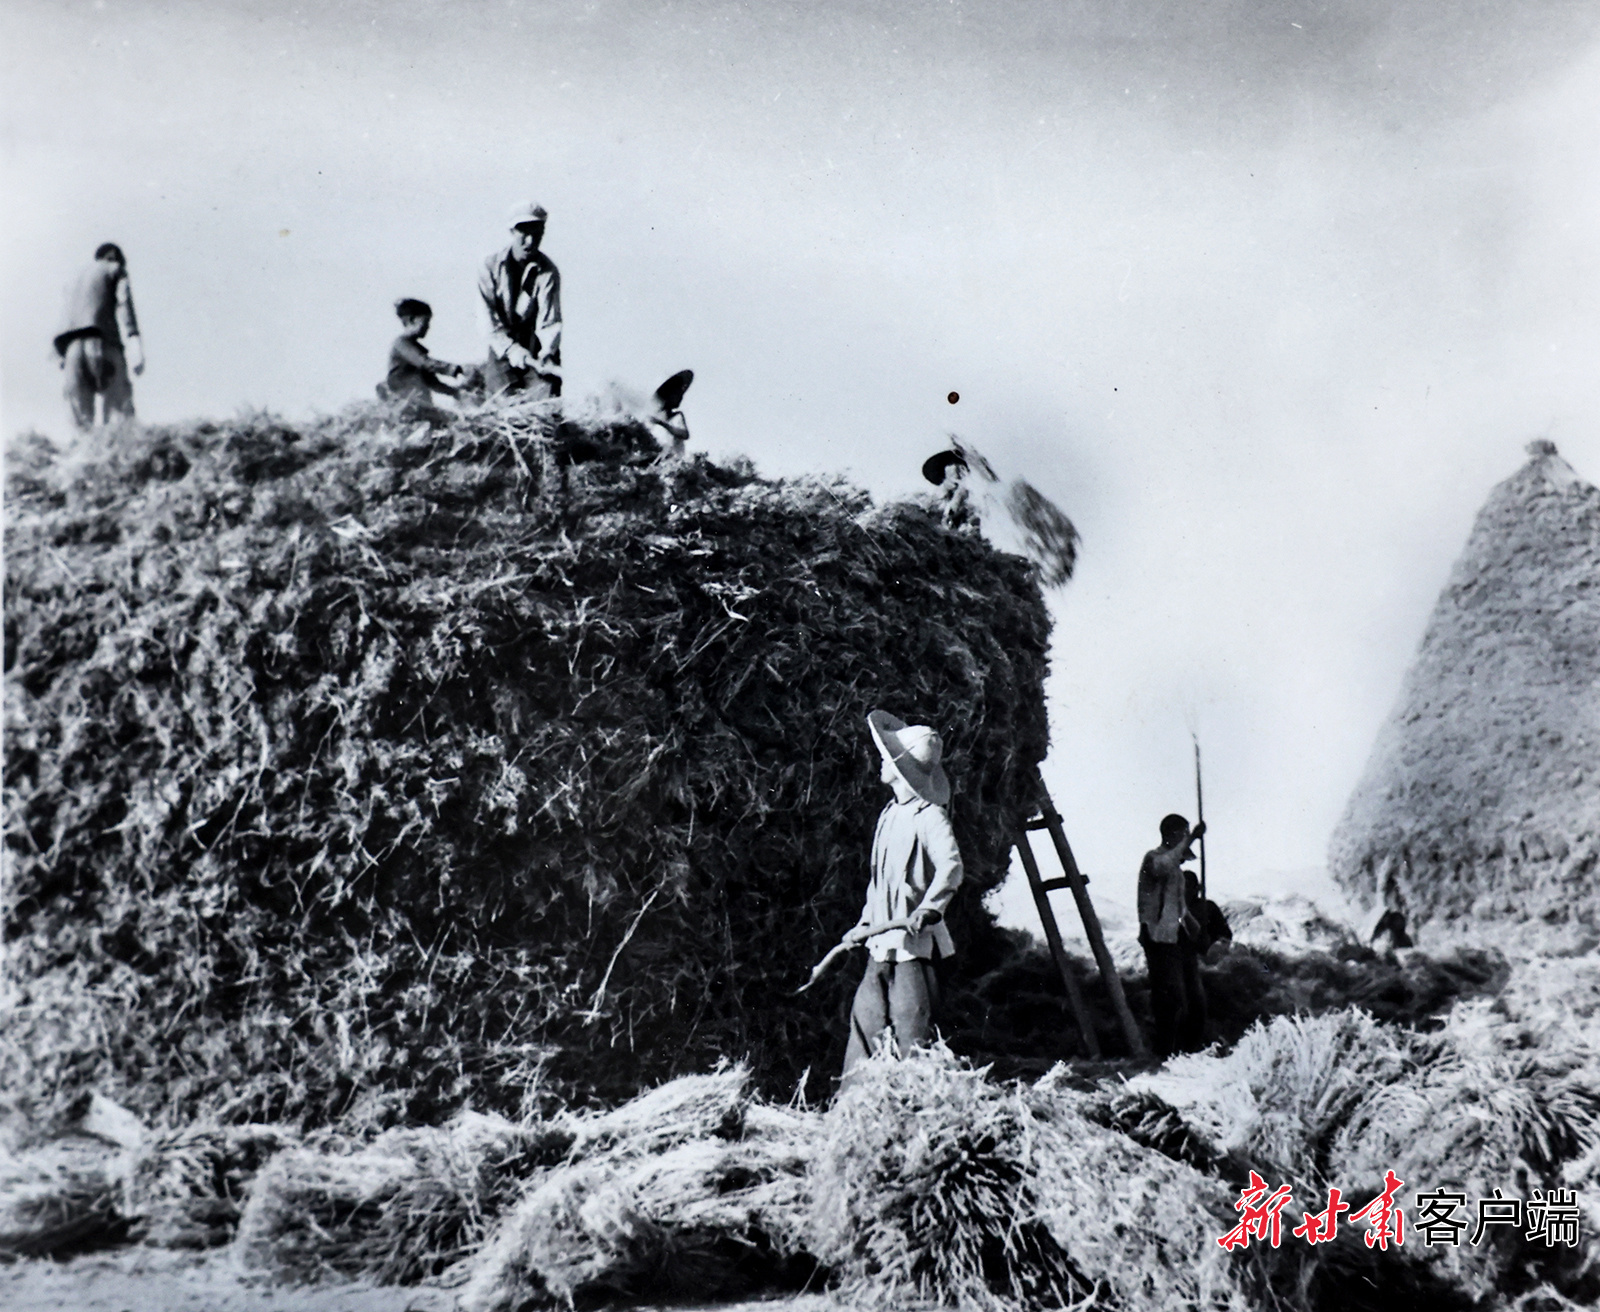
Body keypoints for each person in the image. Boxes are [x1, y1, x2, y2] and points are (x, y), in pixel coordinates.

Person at [842, 710, 966, 1076]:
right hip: (880, 940)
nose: (880, 762)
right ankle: (855, 1105)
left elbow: (951, 866)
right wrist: (864, 923)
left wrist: (929, 909)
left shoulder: (930, 817)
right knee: (865, 1020)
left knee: (911, 1024)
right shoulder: (889, 815)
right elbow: (879, 881)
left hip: (912, 945)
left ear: (899, 767)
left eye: (885, 758)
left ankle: (919, 1100)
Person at [54, 243, 144, 429]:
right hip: (104, 344)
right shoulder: (115, 269)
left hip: (71, 351)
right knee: (118, 420)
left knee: (81, 428)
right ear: (113, 256)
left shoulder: (73, 279)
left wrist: (62, 357)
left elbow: (64, 316)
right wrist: (134, 340)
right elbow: (124, 302)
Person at [1137, 813, 1205, 1059]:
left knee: (1186, 998)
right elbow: (1162, 867)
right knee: (1170, 997)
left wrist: (1192, 925)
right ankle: (1165, 1053)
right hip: (1156, 936)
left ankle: (1183, 1051)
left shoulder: (1175, 870)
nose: (1185, 837)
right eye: (1183, 833)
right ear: (1172, 834)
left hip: (1172, 937)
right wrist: (1192, 840)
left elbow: (1177, 905)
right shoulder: (1153, 859)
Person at [479, 202, 562, 399]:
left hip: (536, 346)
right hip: (501, 346)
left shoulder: (548, 272)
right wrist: (512, 350)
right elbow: (487, 321)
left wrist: (547, 353)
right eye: (524, 233)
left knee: (546, 406)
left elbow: (549, 322)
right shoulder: (490, 266)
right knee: (502, 407)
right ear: (512, 231)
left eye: (537, 234)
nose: (530, 241)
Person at [1177, 866, 1231, 1052]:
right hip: (1185, 962)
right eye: (1182, 887)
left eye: (1190, 887)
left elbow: (1225, 935)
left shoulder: (1208, 907)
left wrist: (1216, 947)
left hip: (1208, 961)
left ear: (1197, 889)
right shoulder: (1173, 910)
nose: (1186, 891)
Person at [379, 298, 470, 408]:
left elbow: (432, 381)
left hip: (418, 396)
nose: (428, 327)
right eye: (425, 322)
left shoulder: (417, 349)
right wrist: (454, 369)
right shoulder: (401, 344)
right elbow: (425, 362)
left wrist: (454, 392)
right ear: (412, 320)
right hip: (405, 397)